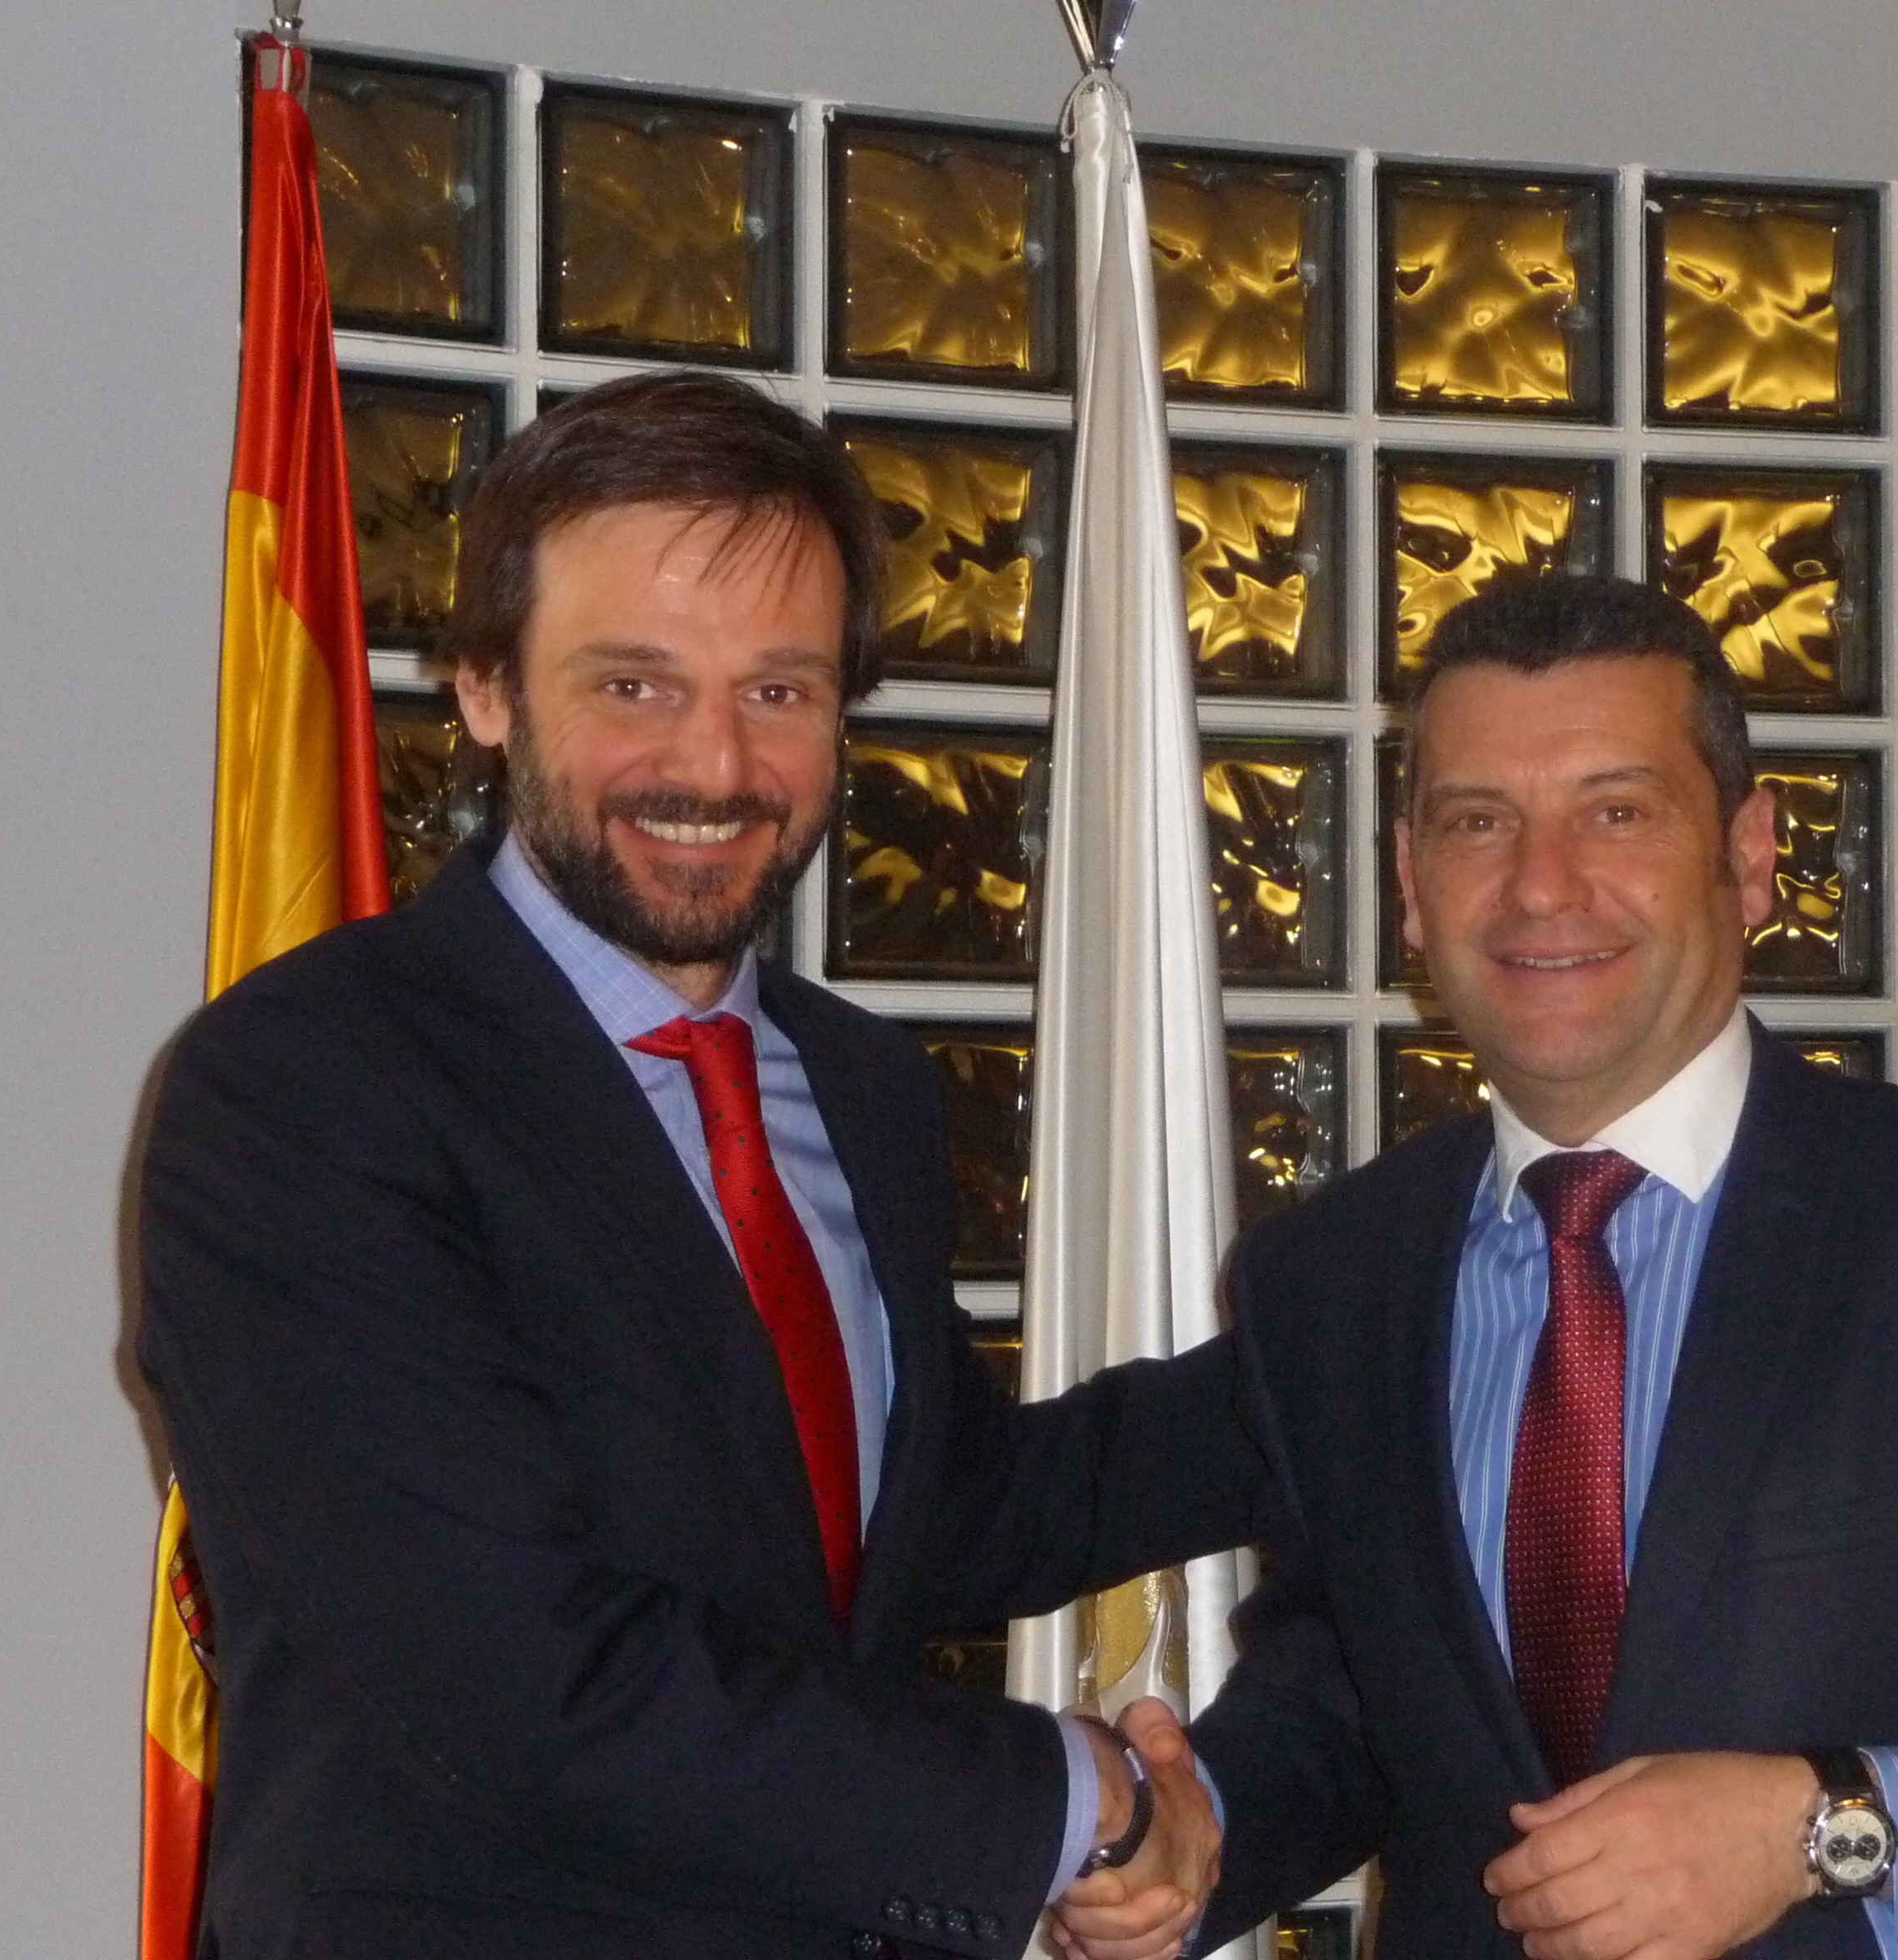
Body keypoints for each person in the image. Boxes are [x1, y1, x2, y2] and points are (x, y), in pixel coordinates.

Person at [1057, 574, 1898, 1960]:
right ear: (1408, 882)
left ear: (1749, 857)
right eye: (1477, 821)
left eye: (1617, 812)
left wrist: (1825, 1828)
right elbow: (1357, 1704)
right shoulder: (1329, 1276)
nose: (1541, 884)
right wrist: (1201, 1824)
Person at [136, 371, 1235, 1960]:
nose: (715, 766)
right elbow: (520, 1682)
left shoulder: (860, 1087)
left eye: (778, 689)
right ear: (486, 689)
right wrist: (1075, 1799)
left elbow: (930, 1512)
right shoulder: (308, 1088)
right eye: (634, 685)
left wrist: (1364, 1346)